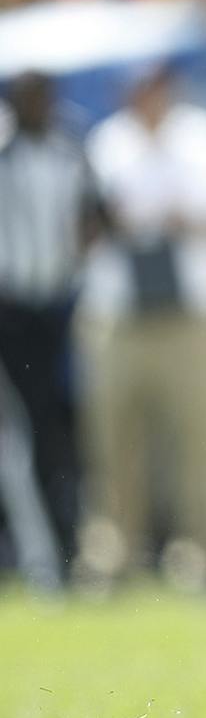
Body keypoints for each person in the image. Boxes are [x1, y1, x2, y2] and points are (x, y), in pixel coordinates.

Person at [79, 65, 206, 589]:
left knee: (204, 439)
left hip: (195, 314)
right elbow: (78, 232)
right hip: (118, 311)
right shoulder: (106, 144)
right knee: (114, 439)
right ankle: (114, 554)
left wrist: (190, 216)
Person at [0, 71, 103, 583]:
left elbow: (95, 218)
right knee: (23, 432)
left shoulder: (70, 152)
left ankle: (57, 548)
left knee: (55, 428)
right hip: (9, 309)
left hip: (58, 308)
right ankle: (39, 551)